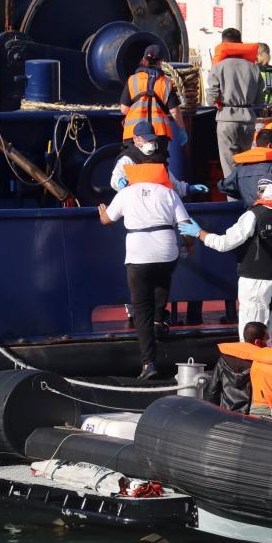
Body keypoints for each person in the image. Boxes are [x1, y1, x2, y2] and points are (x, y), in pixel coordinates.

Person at [177, 183, 272, 339]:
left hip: (254, 286)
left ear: (260, 194)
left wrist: (199, 233)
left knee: (251, 337)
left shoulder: (252, 216)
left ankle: (251, 363)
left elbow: (223, 244)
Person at [97, 159, 192, 380]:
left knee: (141, 308)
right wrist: (189, 245)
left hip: (138, 254)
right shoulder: (169, 193)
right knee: (162, 278)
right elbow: (185, 224)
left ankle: (149, 363)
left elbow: (107, 219)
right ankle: (160, 319)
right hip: (167, 250)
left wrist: (102, 211)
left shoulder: (126, 193)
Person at [206, 28, 265, 191]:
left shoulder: (218, 67)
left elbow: (211, 99)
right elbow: (260, 100)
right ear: (240, 43)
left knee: (229, 169)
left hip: (226, 120)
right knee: (245, 164)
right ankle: (247, 202)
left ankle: (233, 205)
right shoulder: (254, 68)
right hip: (247, 121)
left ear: (223, 44)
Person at [111, 121, 208, 199]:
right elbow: (115, 178)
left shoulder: (158, 159)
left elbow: (172, 183)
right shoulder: (128, 159)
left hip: (156, 204)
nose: (151, 143)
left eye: (152, 140)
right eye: (147, 140)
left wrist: (188, 189)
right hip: (136, 205)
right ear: (136, 139)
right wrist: (119, 181)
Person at [120, 45, 186, 151]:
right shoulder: (167, 83)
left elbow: (124, 109)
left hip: (133, 135)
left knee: (133, 166)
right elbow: (175, 112)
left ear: (144, 59)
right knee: (156, 166)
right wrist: (182, 130)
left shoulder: (132, 80)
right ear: (161, 62)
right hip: (158, 135)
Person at [206, 321, 269, 414]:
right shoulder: (261, 363)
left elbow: (212, 390)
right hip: (250, 416)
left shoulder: (224, 359)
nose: (268, 344)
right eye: (267, 340)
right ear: (258, 342)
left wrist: (214, 414)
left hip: (225, 413)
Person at [217, 129, 272, 207]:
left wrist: (243, 192)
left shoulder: (241, 167)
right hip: (271, 213)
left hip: (250, 213)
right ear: (270, 146)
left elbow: (222, 186)